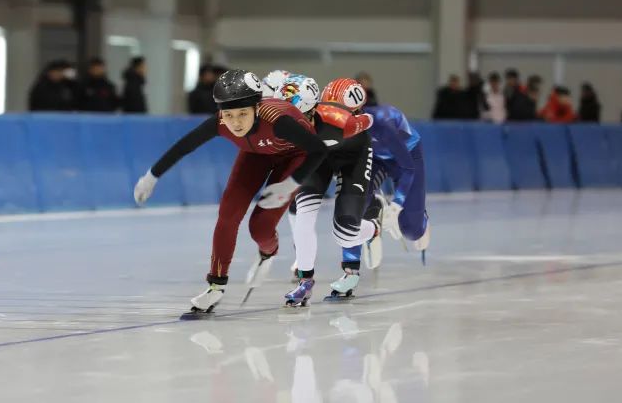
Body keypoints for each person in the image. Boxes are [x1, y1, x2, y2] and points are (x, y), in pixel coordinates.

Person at [133, 69, 329, 320]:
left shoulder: (277, 119)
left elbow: (318, 150)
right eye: (229, 114)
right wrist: (151, 176)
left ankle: (269, 251)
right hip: (255, 155)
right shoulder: (220, 122)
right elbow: (184, 146)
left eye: (243, 114)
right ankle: (215, 285)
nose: (235, 122)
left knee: (259, 228)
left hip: (293, 157)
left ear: (257, 108)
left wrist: (291, 184)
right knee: (228, 213)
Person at [279, 78, 382, 308]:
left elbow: (369, 119)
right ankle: (305, 281)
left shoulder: (340, 120)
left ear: (312, 110)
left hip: (352, 157)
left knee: (344, 234)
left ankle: (374, 226)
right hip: (321, 159)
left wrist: (360, 119)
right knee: (303, 212)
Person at [329, 102, 430, 300]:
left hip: (407, 158)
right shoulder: (335, 127)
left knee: (411, 230)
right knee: (350, 203)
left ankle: (420, 218)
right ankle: (350, 272)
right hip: (373, 159)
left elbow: (408, 169)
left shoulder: (383, 123)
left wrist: (397, 204)